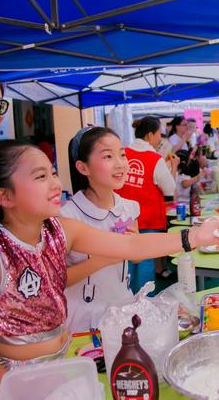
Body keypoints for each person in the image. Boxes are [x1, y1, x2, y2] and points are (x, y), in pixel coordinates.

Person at [0, 140, 219, 388]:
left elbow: (130, 245)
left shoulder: (61, 229)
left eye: (53, 173)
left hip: (67, 359)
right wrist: (12, 388)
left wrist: (194, 237)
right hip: (16, 376)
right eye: (41, 177)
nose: (56, 185)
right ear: (5, 196)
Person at [61, 127, 138, 334]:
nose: (120, 163)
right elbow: (58, 279)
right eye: (108, 156)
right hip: (83, 320)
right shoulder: (66, 216)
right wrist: (104, 258)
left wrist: (133, 243)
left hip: (123, 310)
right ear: (83, 167)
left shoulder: (129, 207)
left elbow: (137, 257)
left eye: (122, 154)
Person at [118, 116, 179, 288]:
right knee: (144, 263)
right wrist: (174, 167)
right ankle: (145, 306)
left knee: (124, 263)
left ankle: (125, 303)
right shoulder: (155, 159)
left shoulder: (122, 154)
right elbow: (169, 188)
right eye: (159, 133)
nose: (160, 138)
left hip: (122, 219)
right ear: (150, 135)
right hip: (147, 219)